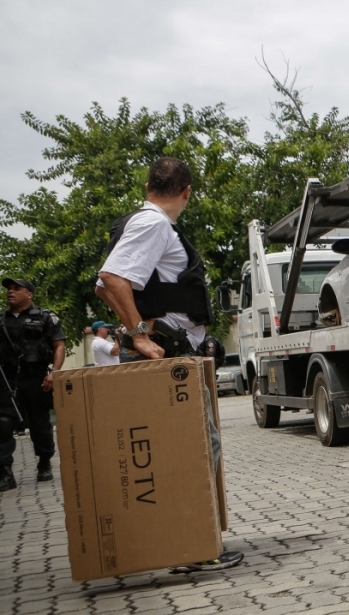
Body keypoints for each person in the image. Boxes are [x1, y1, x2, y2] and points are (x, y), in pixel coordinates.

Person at [94, 156, 243, 572]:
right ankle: (193, 546)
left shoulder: (136, 222)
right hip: (167, 352)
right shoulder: (154, 224)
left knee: (165, 451)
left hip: (165, 347)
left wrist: (137, 327)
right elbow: (111, 280)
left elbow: (102, 285)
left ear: (148, 186)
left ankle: (176, 545)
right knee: (194, 447)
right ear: (187, 192)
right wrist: (140, 333)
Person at [0, 278, 66, 491]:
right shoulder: (1, 319)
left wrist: (54, 373)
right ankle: (5, 472)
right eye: (9, 289)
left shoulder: (45, 317)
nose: (11, 292)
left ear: (29, 294)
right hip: (7, 380)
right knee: (3, 424)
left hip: (36, 378)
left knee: (40, 425)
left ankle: (44, 461)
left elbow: (58, 345)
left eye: (16, 288)